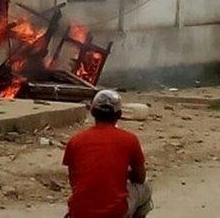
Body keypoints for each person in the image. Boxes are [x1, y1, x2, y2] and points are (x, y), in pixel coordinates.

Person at [62, 89, 153, 218]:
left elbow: (74, 180)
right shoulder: (129, 139)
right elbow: (140, 178)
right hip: (115, 212)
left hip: (79, 212)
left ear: (92, 112)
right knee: (146, 187)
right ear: (119, 114)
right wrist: (123, 173)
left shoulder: (76, 140)